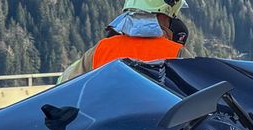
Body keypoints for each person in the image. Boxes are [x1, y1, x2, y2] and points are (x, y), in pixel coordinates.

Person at [59, 0, 187, 83]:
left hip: (104, 122)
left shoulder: (101, 49)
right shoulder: (176, 52)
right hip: (156, 123)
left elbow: (65, 83)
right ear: (163, 17)